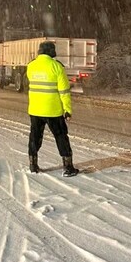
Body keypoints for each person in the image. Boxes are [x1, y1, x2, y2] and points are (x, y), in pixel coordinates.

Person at [26, 41, 79, 177]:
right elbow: (64, 92)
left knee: (35, 137)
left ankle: (33, 164)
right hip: (53, 111)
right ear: (52, 52)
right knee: (61, 137)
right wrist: (67, 110)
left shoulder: (31, 66)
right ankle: (68, 167)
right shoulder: (57, 67)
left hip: (35, 110)